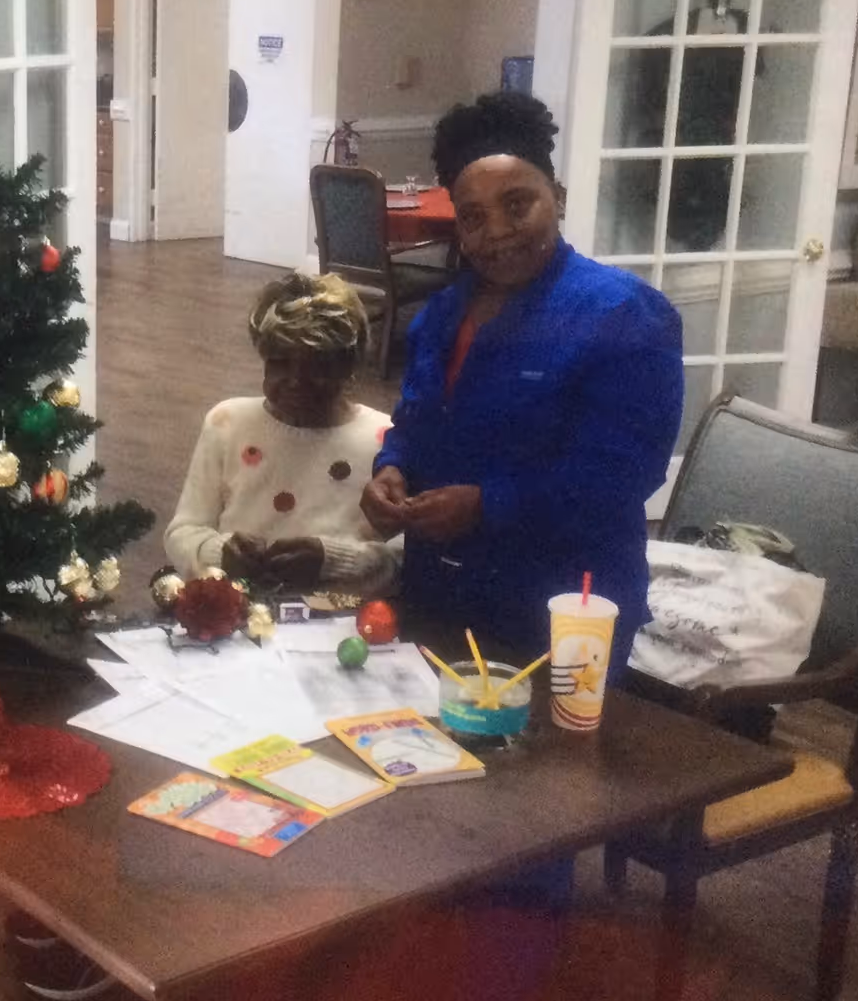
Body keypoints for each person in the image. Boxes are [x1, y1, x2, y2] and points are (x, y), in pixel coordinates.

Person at [360, 91, 682, 672]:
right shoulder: (442, 314)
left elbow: (622, 474)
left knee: (550, 760)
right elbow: (413, 422)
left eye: (518, 204)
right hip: (442, 591)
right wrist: (392, 469)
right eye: (473, 217)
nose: (497, 231)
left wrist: (488, 504)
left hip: (564, 605)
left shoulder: (622, 314)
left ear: (556, 198)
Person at [165, 272, 399, 596]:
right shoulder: (227, 423)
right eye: (279, 363)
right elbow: (183, 532)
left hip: (341, 630)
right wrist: (220, 553)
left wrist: (332, 560)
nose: (295, 380)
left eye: (317, 366)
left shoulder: (385, 441)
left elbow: (403, 557)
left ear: (349, 367)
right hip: (237, 616)